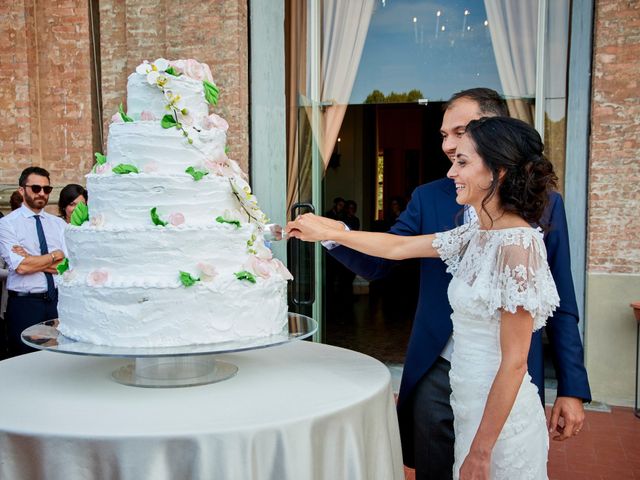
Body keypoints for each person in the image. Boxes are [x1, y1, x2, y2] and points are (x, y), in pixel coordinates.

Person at [319, 88, 591, 479]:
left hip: (503, 384)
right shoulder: (458, 223)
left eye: (461, 137)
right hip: (439, 369)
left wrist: (571, 386)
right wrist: (331, 232)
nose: (449, 151)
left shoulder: (528, 230)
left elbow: (558, 301)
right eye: (445, 136)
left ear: (496, 158)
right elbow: (395, 249)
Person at [0, 167, 67, 356]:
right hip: (25, 304)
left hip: (57, 301)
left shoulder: (59, 224)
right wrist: (56, 254)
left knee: (59, 359)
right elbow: (21, 267)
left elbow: (67, 266)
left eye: (47, 189)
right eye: (36, 188)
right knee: (25, 361)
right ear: (22, 190)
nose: (42, 193)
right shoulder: (7, 224)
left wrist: (31, 259)